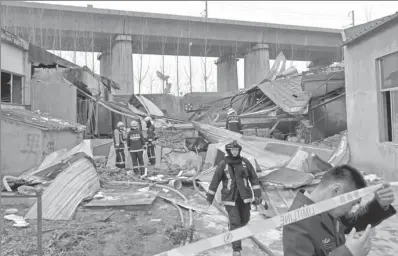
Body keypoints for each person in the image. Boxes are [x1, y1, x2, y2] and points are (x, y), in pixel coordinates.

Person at [283, 164, 396, 256]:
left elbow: (352, 222)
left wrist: (379, 205)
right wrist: (348, 252)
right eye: (352, 204)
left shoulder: (327, 208)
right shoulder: (296, 222)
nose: (350, 210)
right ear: (336, 191)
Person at [206, 140, 262, 256]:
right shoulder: (223, 164)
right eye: (233, 150)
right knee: (235, 222)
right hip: (229, 199)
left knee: (245, 219)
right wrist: (209, 197)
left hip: (244, 197)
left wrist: (257, 194)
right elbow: (215, 181)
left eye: (237, 150)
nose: (235, 152)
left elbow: (254, 179)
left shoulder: (245, 163)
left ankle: (234, 230)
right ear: (228, 151)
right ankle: (237, 250)